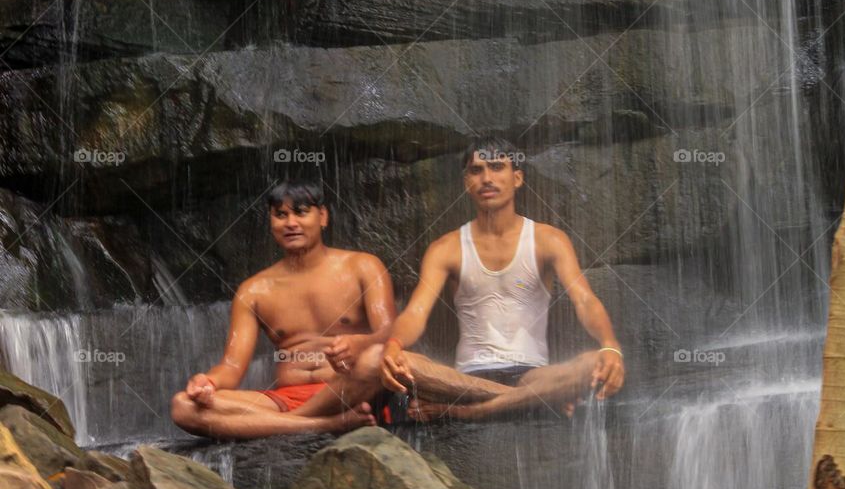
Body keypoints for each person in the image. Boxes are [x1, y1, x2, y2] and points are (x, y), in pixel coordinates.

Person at [378, 139, 625, 421]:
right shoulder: (445, 248)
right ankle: (533, 402)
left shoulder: (549, 240)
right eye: (477, 170)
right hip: (464, 380)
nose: (487, 178)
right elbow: (416, 312)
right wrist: (394, 345)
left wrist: (610, 344)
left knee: (592, 363)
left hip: (534, 376)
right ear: (465, 182)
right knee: (406, 363)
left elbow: (584, 300)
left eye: (497, 167)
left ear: (517, 178)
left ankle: (466, 413)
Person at [171, 177, 393, 439]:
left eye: (300, 212)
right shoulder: (253, 290)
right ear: (271, 222)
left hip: (348, 390)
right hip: (284, 398)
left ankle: (282, 424)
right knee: (183, 406)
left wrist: (358, 344)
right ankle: (324, 425)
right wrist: (208, 382)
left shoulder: (363, 267)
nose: (290, 223)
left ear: (322, 216)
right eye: (280, 215)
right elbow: (231, 367)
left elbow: (392, 336)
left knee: (376, 358)